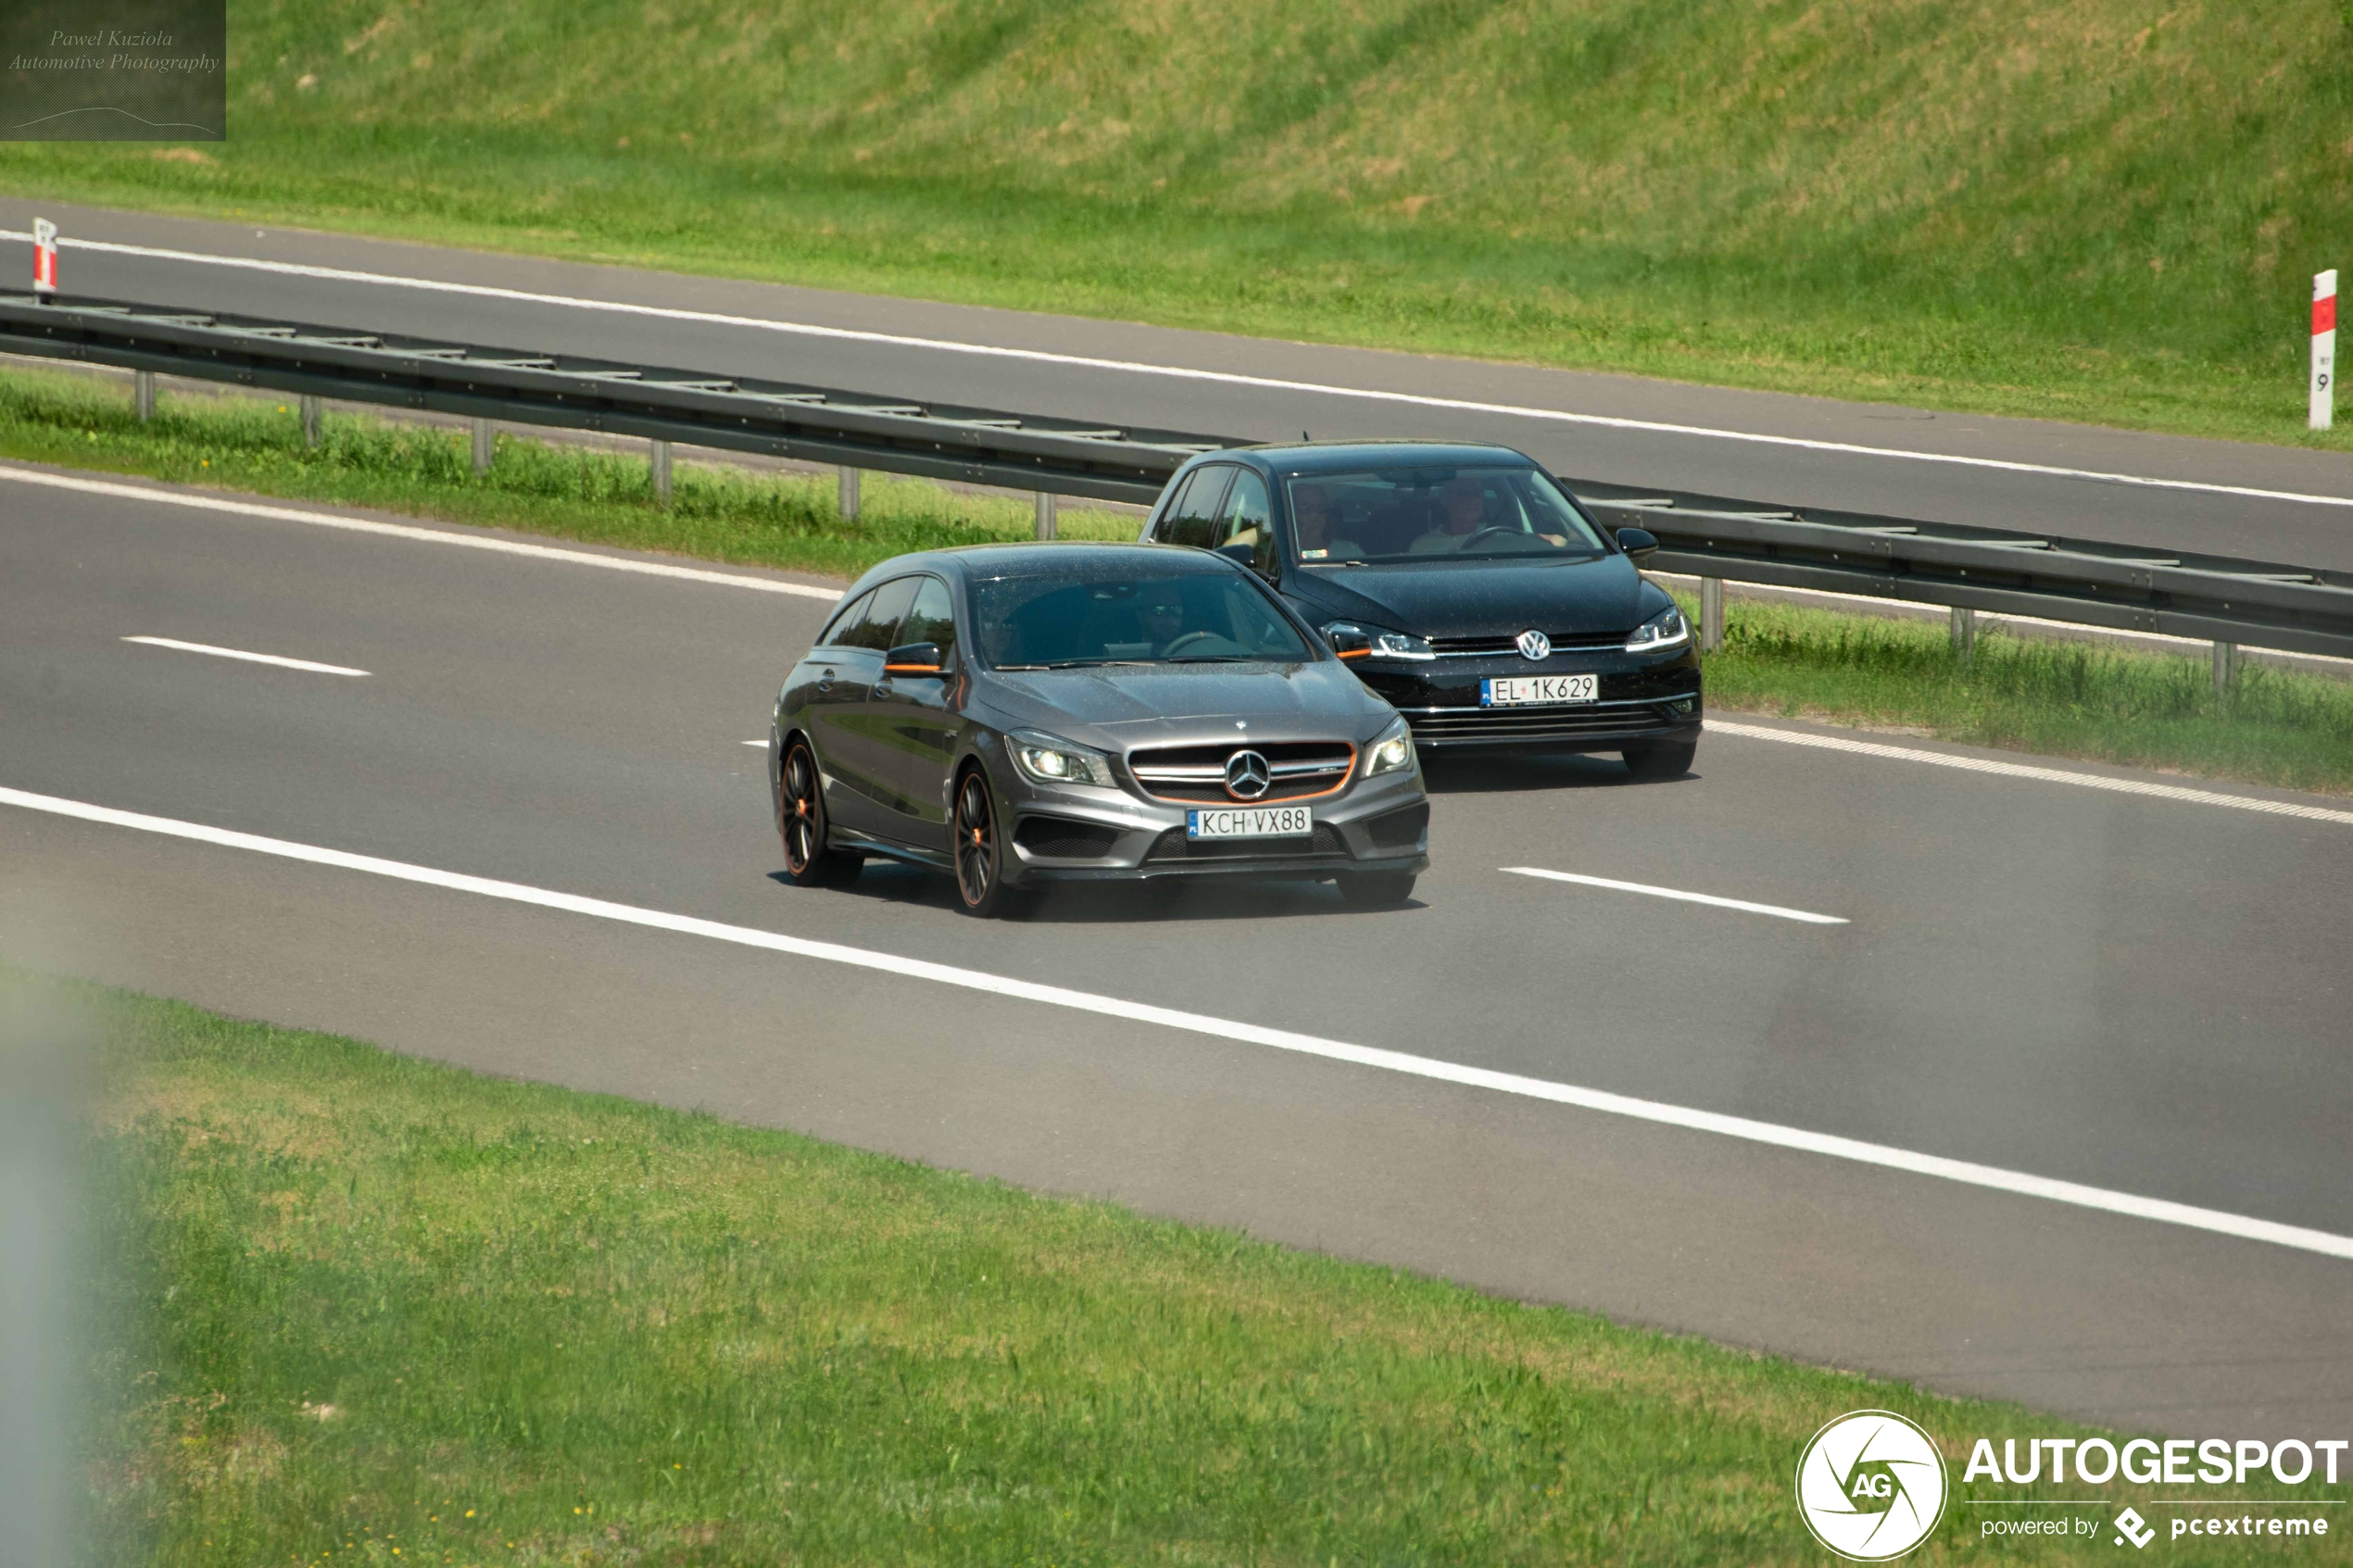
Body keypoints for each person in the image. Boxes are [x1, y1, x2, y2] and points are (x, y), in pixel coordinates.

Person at [1409, 476, 1493, 553]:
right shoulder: (1422, 546)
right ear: (1445, 501)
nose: (1472, 499)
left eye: (1477, 493)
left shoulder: (1496, 536)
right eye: (1463, 493)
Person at [1291, 483, 1364, 559]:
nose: (1314, 514)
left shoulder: (1350, 552)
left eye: (1320, 506)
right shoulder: (1283, 555)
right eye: (1304, 506)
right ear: (1293, 512)